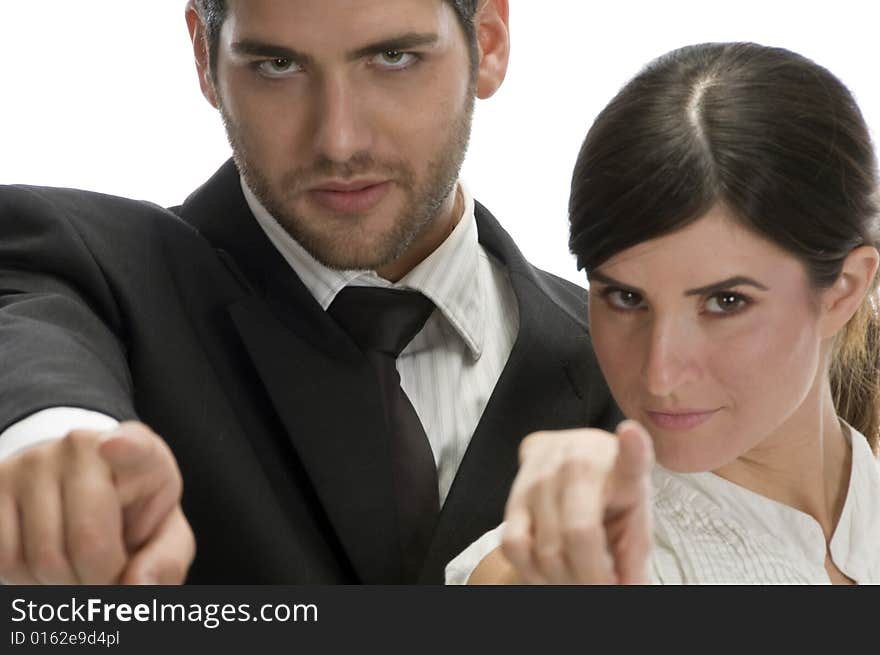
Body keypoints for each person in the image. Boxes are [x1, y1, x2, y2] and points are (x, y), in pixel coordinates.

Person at [0, 0, 618, 585]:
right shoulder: (81, 270)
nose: (339, 141)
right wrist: (53, 455)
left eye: (394, 58)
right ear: (203, 58)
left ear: (488, 40)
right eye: (278, 65)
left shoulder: (631, 364)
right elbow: (28, 331)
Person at [447, 42, 880, 585]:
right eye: (626, 298)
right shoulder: (567, 570)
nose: (659, 372)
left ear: (843, 289)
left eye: (726, 302)